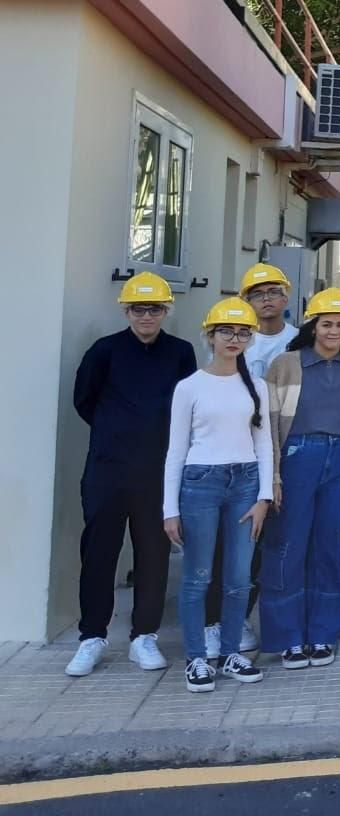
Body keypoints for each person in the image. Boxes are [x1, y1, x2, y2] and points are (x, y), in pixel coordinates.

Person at [66, 273, 197, 679]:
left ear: (166, 312)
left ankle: (144, 636)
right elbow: (84, 401)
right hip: (107, 469)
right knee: (100, 552)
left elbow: (185, 407)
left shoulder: (180, 352)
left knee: (154, 556)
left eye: (154, 308)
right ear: (126, 311)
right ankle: (92, 637)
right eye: (139, 308)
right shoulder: (103, 351)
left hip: (158, 471)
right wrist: (117, 434)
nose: (146, 315)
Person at [258, 289, 340, 669]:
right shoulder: (286, 364)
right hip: (295, 458)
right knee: (287, 547)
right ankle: (288, 639)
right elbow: (270, 428)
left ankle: (323, 636)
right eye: (327, 324)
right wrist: (271, 476)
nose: (334, 331)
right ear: (312, 326)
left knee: (333, 547)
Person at [164, 299, 273, 693]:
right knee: (197, 576)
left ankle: (230, 653)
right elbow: (176, 450)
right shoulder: (188, 387)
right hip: (200, 483)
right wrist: (169, 509)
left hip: (245, 483)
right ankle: (196, 658)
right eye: (226, 331)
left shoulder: (256, 385)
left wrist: (263, 497)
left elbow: (264, 445)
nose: (234, 339)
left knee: (239, 577)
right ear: (209, 335)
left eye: (243, 332)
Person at [203, 262, 297, 658]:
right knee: (234, 540)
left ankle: (255, 617)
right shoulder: (236, 339)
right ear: (245, 300)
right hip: (236, 453)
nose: (266, 299)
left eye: (273, 292)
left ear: (286, 296)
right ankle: (220, 620)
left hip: (286, 451)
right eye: (257, 294)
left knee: (273, 542)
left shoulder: (299, 340)